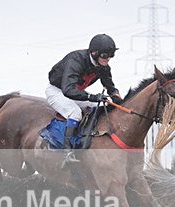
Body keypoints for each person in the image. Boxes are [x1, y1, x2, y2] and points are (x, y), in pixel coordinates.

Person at [46, 33, 124, 162]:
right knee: (75, 113)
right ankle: (67, 152)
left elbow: (110, 87)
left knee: (97, 107)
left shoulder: (103, 67)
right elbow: (68, 89)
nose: (108, 59)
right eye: (105, 55)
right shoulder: (75, 60)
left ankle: (85, 140)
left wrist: (119, 101)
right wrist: (92, 96)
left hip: (74, 92)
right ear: (94, 53)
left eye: (111, 55)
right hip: (57, 91)